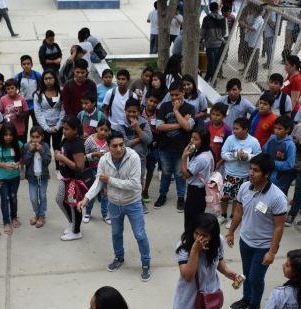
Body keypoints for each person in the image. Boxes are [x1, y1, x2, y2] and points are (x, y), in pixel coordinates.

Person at [79, 132, 153, 281]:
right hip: (113, 203)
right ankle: (119, 258)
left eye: (121, 145)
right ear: (108, 146)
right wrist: (86, 198)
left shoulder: (133, 157)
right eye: (115, 146)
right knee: (116, 233)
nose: (119, 149)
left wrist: (110, 180)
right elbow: (99, 181)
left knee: (140, 235)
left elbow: (134, 184)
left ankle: (146, 263)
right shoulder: (104, 160)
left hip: (133, 203)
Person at [227, 153, 288, 309]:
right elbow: (238, 211)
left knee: (255, 277)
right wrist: (231, 232)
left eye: (255, 170)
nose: (251, 173)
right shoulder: (244, 187)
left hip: (263, 246)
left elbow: (279, 226)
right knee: (246, 273)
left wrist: (272, 252)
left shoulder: (277, 197)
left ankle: (254, 305)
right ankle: (246, 299)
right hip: (245, 240)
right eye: (250, 169)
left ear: (266, 174)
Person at [153, 81, 196, 212]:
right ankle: (162, 195)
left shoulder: (190, 108)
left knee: (180, 174)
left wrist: (176, 111)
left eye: (177, 94)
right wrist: (180, 124)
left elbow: (188, 127)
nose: (174, 98)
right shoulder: (164, 106)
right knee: (165, 173)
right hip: (165, 147)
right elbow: (159, 126)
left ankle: (181, 198)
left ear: (183, 93)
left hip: (182, 149)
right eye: (172, 95)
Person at [220, 117, 262, 229]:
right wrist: (235, 155)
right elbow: (223, 154)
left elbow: (259, 157)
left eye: (237, 128)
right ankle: (223, 215)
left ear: (246, 129)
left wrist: (247, 157)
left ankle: (232, 218)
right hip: (229, 174)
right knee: (224, 196)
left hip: (244, 176)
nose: (234, 131)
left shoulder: (254, 142)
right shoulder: (230, 139)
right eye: (233, 128)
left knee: (237, 199)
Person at [54, 116, 86, 241]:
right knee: (60, 200)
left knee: (74, 205)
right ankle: (72, 222)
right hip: (65, 178)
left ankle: (76, 231)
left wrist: (63, 159)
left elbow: (79, 167)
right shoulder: (66, 139)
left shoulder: (77, 144)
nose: (64, 131)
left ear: (75, 130)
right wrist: (58, 153)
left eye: (67, 129)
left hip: (74, 181)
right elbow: (61, 150)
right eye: (63, 128)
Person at [0, 123, 22, 234]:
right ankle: (6, 222)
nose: (8, 137)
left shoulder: (18, 144)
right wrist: (4, 165)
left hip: (14, 176)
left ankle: (14, 217)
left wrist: (17, 163)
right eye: (6, 135)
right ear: (1, 135)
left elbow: (21, 157)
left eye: (11, 135)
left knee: (13, 197)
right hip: (1, 177)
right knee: (5, 198)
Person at [181, 126, 214, 229]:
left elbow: (185, 175)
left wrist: (183, 157)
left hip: (195, 192)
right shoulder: (208, 151)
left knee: (191, 220)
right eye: (191, 137)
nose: (191, 141)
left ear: (203, 141)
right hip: (201, 190)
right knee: (197, 219)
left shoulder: (201, 159)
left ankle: (190, 237)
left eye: (195, 139)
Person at [23, 126, 51, 228]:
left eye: (37, 137)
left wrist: (41, 151)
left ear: (42, 137)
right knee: (33, 197)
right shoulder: (27, 146)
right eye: (33, 137)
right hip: (32, 177)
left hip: (43, 176)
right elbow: (25, 161)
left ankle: (42, 215)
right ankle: (37, 213)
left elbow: (48, 161)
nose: (35, 140)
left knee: (42, 196)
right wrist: (30, 151)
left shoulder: (45, 146)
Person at [33, 70, 64, 152]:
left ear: (55, 79)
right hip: (44, 126)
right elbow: (38, 113)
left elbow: (63, 110)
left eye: (50, 78)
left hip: (58, 126)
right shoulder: (38, 94)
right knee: (45, 149)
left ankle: (59, 161)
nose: (48, 81)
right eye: (46, 79)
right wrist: (46, 128)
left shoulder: (61, 91)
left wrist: (58, 126)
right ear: (42, 80)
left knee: (57, 148)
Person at [201, 2, 227, 82]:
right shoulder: (222, 19)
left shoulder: (206, 18)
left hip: (209, 43)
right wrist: (219, 35)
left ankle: (209, 78)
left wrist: (204, 39)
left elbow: (203, 32)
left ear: (210, 8)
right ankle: (213, 79)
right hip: (218, 43)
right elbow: (224, 33)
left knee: (210, 62)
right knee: (215, 62)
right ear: (218, 8)